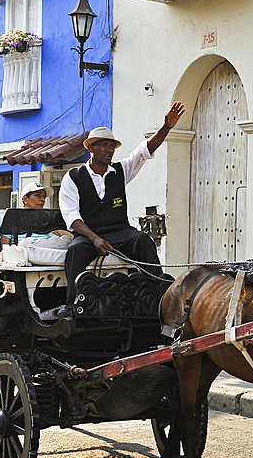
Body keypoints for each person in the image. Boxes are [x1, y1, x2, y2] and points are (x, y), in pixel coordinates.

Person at [58, 101, 185, 316]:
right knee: (75, 250)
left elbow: (143, 151)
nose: (109, 150)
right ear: (90, 148)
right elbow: (72, 217)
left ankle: (157, 296)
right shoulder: (73, 177)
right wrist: (95, 238)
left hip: (119, 232)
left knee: (141, 241)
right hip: (88, 235)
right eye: (103, 145)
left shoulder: (120, 170)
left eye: (111, 146)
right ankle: (73, 305)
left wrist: (166, 127)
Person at [1, 183, 73, 245]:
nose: (42, 199)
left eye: (44, 197)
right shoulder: (12, 217)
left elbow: (62, 233)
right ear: (25, 198)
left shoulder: (47, 220)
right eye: (38, 195)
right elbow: (4, 247)